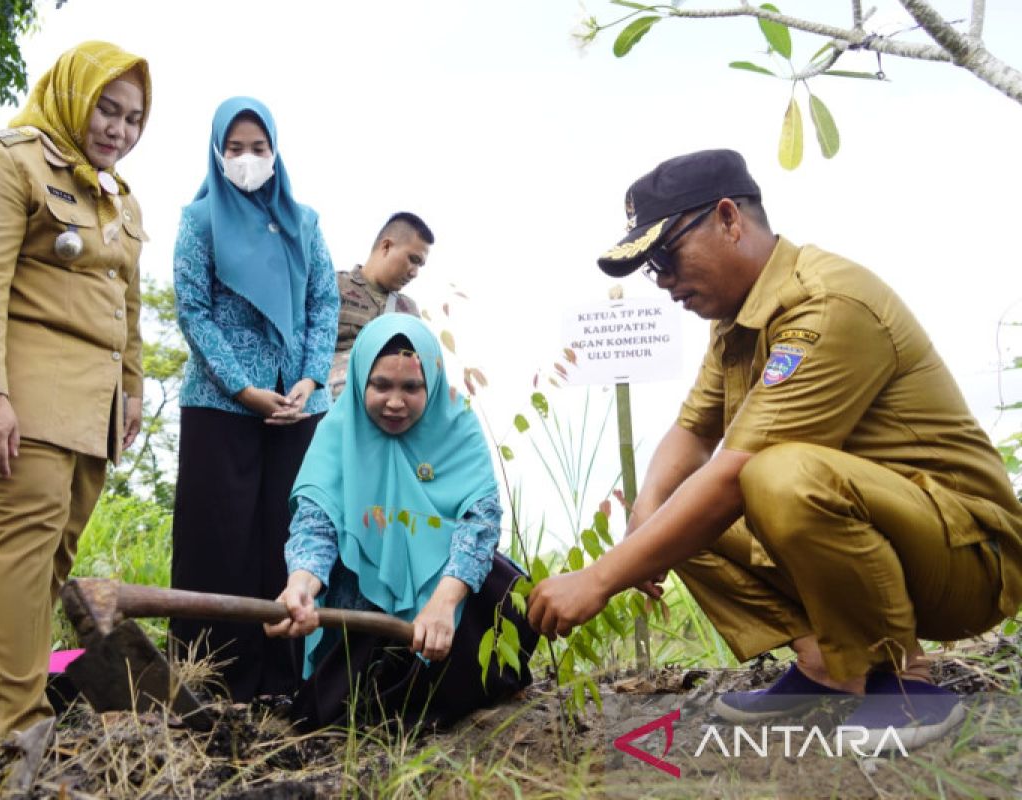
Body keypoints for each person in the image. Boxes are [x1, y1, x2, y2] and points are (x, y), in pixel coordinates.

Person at [526, 149, 1022, 749]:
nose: (660, 280)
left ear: (729, 219)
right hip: (882, 542)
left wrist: (601, 577)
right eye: (649, 267)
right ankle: (828, 670)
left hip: (970, 557)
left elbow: (733, 473)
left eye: (665, 255)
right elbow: (693, 433)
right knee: (671, 512)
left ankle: (901, 678)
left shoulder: (827, 302)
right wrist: (642, 521)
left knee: (777, 474)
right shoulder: (738, 319)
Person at [0, 41, 151, 755]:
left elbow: (128, 309)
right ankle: (15, 731)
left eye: (134, 119)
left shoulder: (118, 197)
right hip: (22, 402)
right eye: (106, 110)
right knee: (18, 557)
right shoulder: (5, 159)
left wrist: (131, 392)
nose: (118, 129)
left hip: (88, 415)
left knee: (46, 566)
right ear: (71, 98)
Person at [267, 314, 536, 730]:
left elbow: (479, 523)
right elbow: (316, 524)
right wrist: (301, 583)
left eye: (412, 387)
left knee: (503, 585)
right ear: (360, 382)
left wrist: (443, 603)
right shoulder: (337, 432)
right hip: (359, 597)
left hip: (447, 590)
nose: (396, 402)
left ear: (431, 382)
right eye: (381, 386)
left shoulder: (458, 427)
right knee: (337, 713)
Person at [170, 97, 339, 703]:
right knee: (218, 541)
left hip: (297, 407)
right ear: (219, 152)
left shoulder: (305, 222)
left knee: (289, 539)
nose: (247, 159)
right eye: (235, 148)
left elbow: (324, 304)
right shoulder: (198, 222)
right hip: (222, 408)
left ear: (275, 151)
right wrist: (243, 388)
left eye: (258, 148)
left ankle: (287, 683)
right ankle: (208, 680)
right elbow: (193, 311)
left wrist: (311, 379)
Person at [326, 212, 433, 398]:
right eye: (413, 259)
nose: (415, 272)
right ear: (386, 246)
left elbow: (421, 366)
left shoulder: (408, 310)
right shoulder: (333, 287)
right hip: (335, 400)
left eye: (420, 266)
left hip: (390, 407)